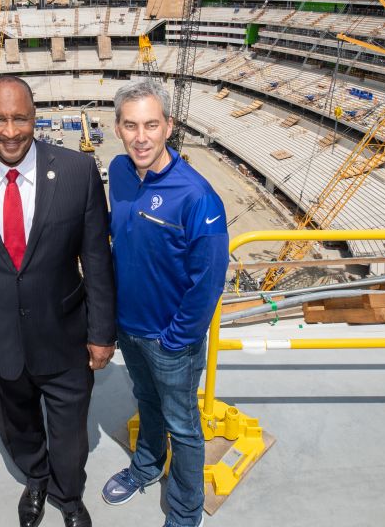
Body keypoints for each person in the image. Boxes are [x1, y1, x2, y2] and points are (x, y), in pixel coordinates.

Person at [0, 75, 116, 527]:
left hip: (66, 336)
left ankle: (69, 497)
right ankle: (35, 479)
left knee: (72, 436)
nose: (10, 131)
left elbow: (96, 260)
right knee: (18, 427)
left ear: (35, 118)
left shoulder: (77, 171)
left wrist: (102, 334)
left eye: (20, 118)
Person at [100, 80, 229, 527]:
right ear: (117, 128)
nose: (141, 136)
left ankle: (185, 512)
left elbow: (209, 280)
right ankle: (145, 469)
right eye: (131, 125)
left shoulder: (196, 195)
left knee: (185, 428)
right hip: (129, 330)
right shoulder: (117, 171)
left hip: (171, 340)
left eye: (151, 125)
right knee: (146, 404)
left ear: (168, 126)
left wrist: (176, 340)